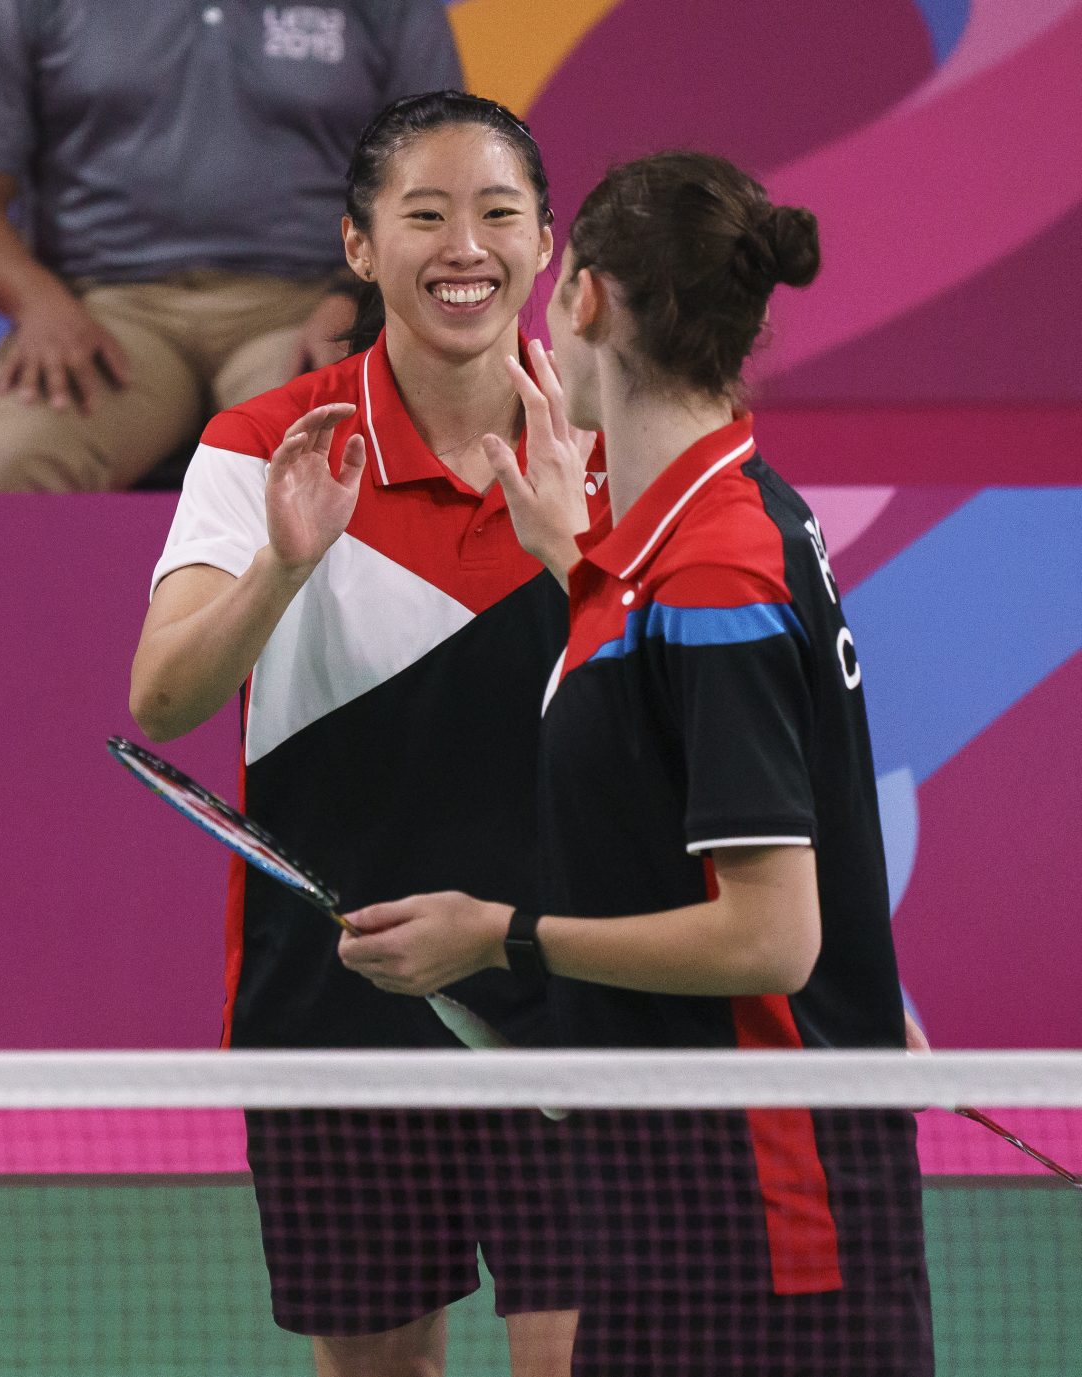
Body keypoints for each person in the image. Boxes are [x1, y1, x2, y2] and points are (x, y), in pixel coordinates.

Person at [334, 151, 934, 1375]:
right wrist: (571, 561)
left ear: (588, 301)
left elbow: (771, 939)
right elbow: (682, 753)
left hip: (768, 1220)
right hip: (674, 1196)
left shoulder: (713, 571)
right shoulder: (701, 531)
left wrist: (499, 935)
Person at [130, 91, 603, 1377]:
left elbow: (685, 719)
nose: (465, 248)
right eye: (425, 215)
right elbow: (160, 699)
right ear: (357, 246)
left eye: (497, 213)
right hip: (342, 999)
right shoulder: (260, 447)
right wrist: (281, 568)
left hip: (577, 985)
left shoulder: (611, 447)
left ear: (546, 241)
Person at [0, 0, 462, 492]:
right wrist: (36, 301)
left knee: (337, 465)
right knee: (14, 459)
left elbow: (442, 175)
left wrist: (359, 304)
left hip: (312, 307)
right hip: (109, 314)